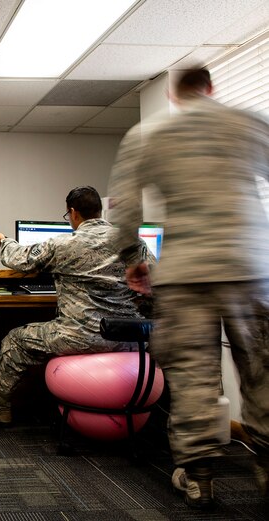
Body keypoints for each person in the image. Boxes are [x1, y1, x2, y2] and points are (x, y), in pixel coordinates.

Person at [108, 67, 269, 509]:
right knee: (262, 371)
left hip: (184, 276)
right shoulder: (247, 122)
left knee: (193, 376)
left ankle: (200, 477)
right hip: (250, 269)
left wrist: (134, 259)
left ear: (174, 96)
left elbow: (124, 205)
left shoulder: (150, 133)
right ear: (211, 89)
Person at [0, 186, 152, 424]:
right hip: (129, 338)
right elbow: (153, 282)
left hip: (79, 337)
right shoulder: (133, 243)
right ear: (99, 211)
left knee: (14, 340)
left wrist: (3, 241)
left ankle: (1, 409)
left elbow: (20, 259)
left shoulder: (63, 244)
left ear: (73, 212)